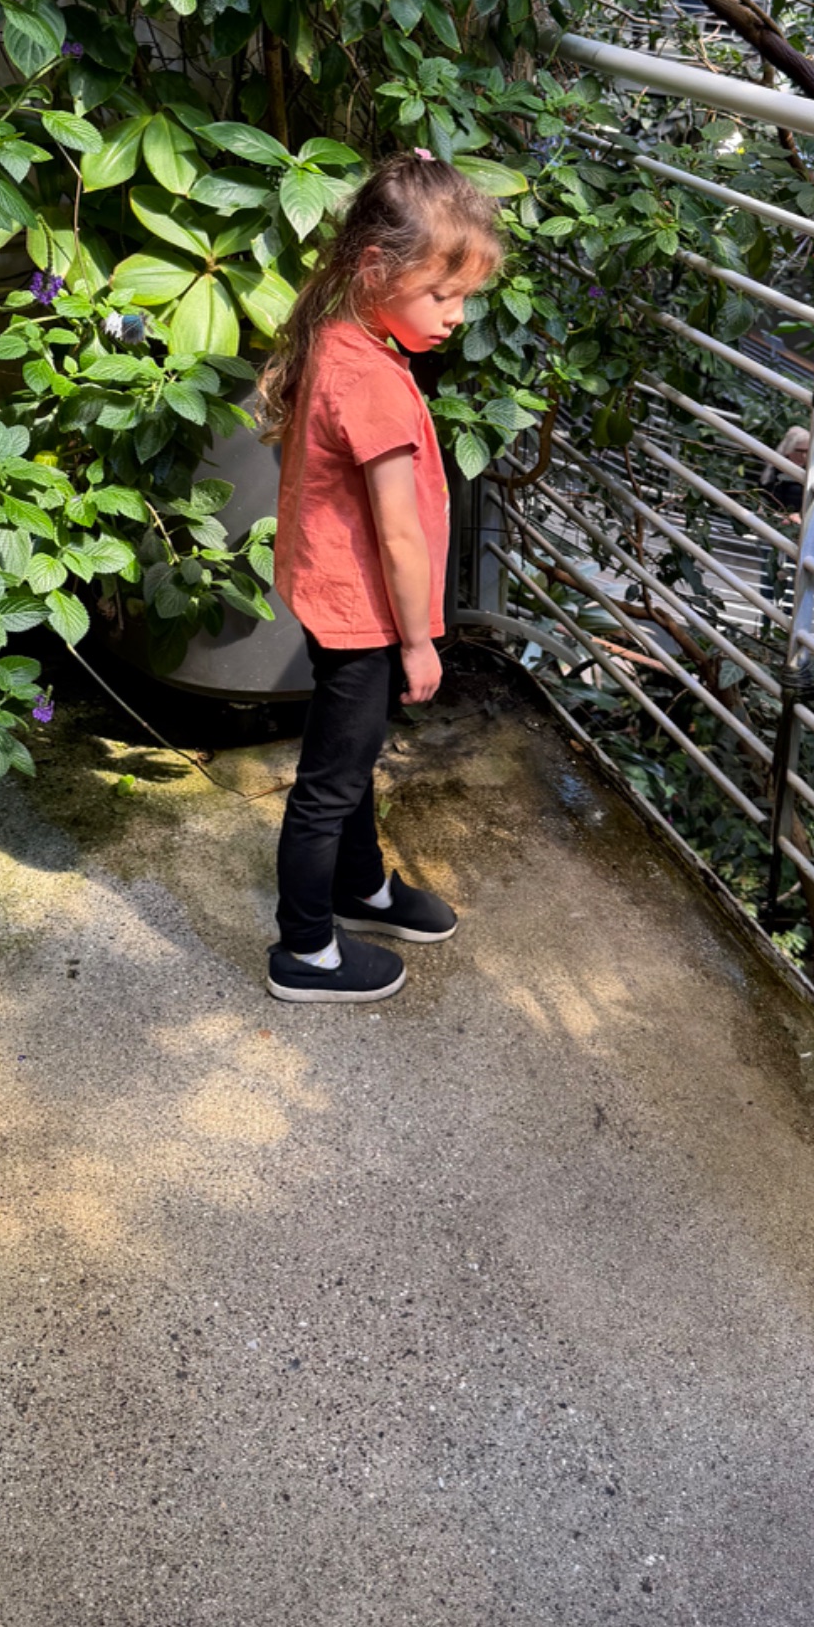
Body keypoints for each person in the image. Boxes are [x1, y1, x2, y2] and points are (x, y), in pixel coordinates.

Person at [254, 152, 504, 1004]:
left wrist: (423, 182)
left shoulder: (343, 332)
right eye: (442, 294)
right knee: (332, 779)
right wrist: (420, 641)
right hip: (365, 614)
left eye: (464, 296)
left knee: (351, 758)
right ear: (375, 270)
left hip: (335, 595)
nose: (455, 316)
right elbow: (399, 534)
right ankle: (306, 951)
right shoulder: (375, 386)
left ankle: (360, 888)